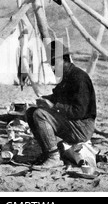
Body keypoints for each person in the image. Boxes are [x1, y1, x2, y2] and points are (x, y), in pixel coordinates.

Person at [25, 40, 97, 168]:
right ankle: (47, 153)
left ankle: (53, 157)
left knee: (40, 115)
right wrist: (44, 100)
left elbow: (79, 111)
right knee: (31, 112)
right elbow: (57, 97)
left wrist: (53, 107)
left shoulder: (79, 78)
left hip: (83, 126)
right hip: (73, 122)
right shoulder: (66, 76)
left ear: (65, 59)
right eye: (51, 64)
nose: (53, 67)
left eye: (55, 63)